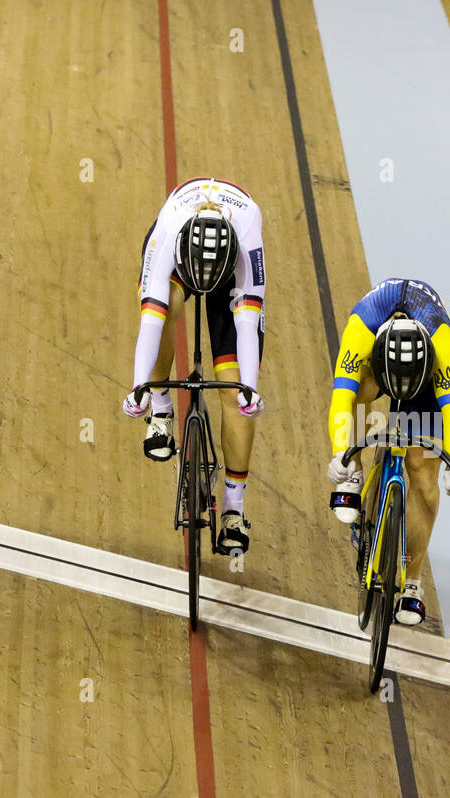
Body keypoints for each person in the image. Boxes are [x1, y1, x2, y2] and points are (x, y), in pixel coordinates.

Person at [123, 177, 266, 555]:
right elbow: (150, 324)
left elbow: (247, 325)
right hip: (178, 268)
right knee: (163, 303)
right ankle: (163, 413)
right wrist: (141, 389)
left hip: (227, 277)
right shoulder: (169, 233)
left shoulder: (248, 235)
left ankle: (234, 511)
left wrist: (248, 389)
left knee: (235, 390)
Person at [325, 278, 450, 626]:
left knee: (424, 476)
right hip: (377, 365)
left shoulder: (441, 346)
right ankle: (355, 476)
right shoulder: (361, 330)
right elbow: (342, 398)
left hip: (419, 378)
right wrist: (341, 453)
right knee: (359, 395)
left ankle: (413, 582)